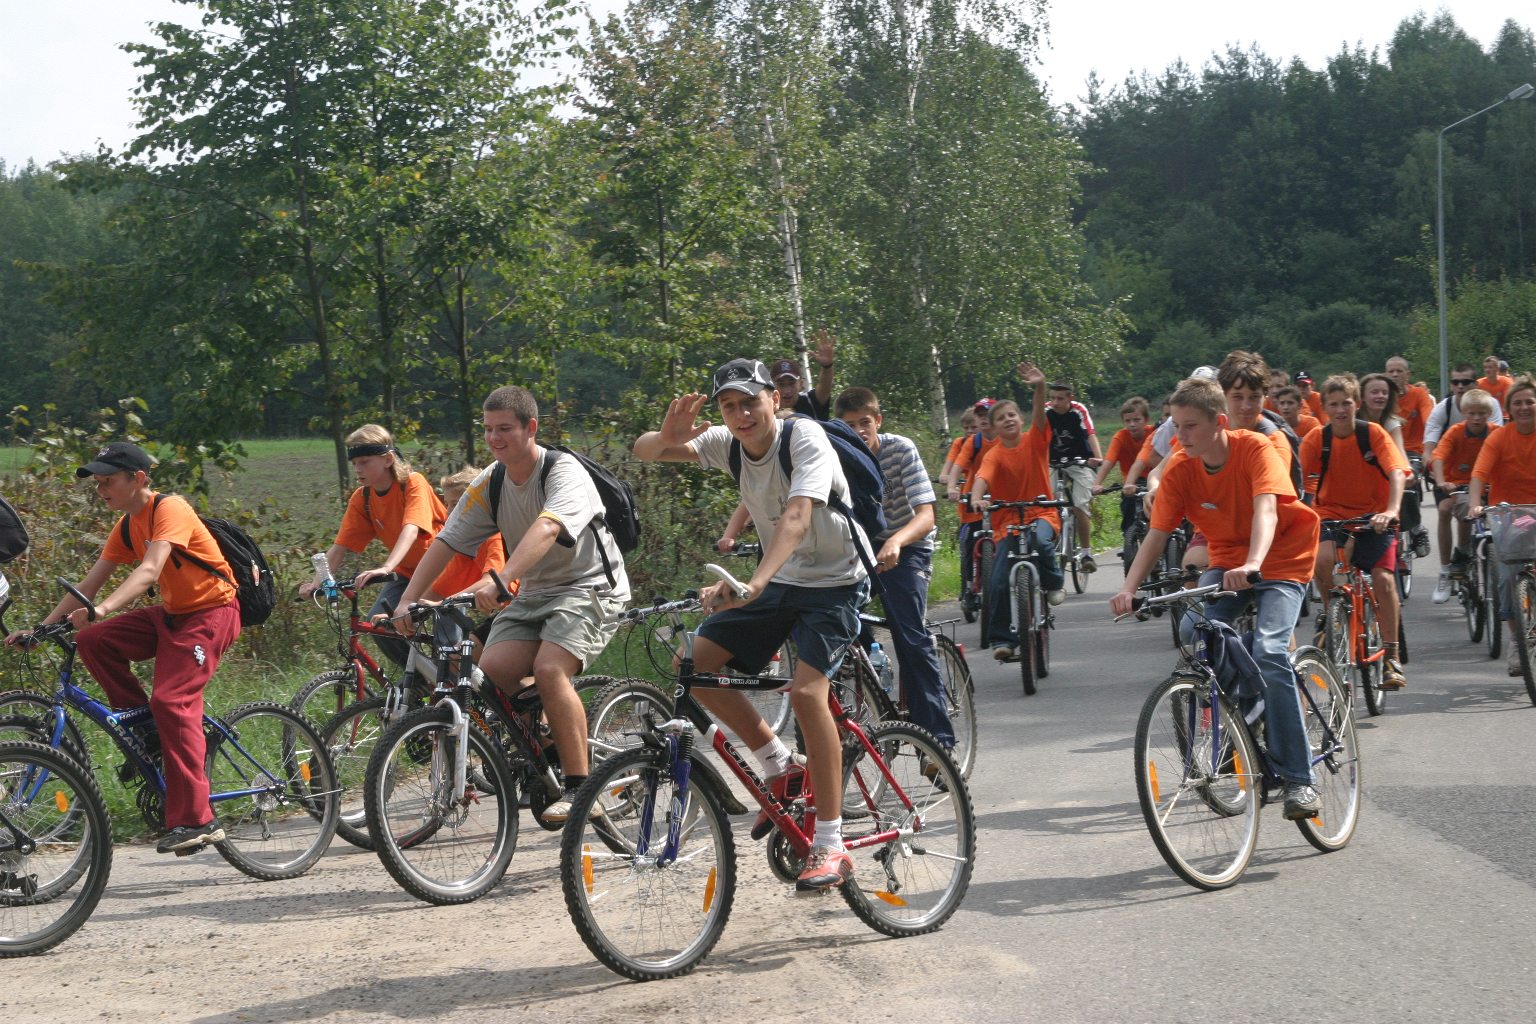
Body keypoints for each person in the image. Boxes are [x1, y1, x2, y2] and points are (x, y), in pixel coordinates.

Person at [633, 359, 868, 893]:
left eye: (750, 402)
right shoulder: (729, 443)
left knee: (806, 695)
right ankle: (779, 763)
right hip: (780, 579)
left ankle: (831, 843)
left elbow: (798, 516)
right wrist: (666, 437)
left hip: (834, 581)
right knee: (693, 666)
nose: (741, 415)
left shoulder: (803, 438)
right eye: (729, 406)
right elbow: (645, 451)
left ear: (774, 400)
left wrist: (755, 582)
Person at [390, 386, 630, 824]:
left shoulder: (562, 471)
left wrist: (502, 579)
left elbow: (547, 528)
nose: (494, 439)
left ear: (530, 427)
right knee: (493, 670)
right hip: (537, 592)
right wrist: (407, 599)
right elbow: (447, 540)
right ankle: (550, 745)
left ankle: (582, 789)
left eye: (504, 429)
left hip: (589, 586)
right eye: (488, 429)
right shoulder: (491, 481)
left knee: (549, 669)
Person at [4, 442, 241, 854]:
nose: (100, 490)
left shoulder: (171, 509)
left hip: (212, 613)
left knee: (172, 701)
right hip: (172, 616)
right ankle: (147, 732)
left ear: (139, 479)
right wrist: (40, 629)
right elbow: (88, 585)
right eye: (97, 483)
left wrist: (103, 609)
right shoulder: (127, 526)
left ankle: (198, 820)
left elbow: (149, 570)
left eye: (108, 481)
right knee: (93, 639)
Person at [1109, 376, 1322, 820]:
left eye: (1189, 426)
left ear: (1219, 423)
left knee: (1270, 650)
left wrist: (1254, 563)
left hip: (1282, 558)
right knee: (1195, 632)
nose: (1180, 436)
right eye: (1175, 426)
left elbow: (1266, 509)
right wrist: (1128, 588)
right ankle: (1247, 712)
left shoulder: (1256, 448)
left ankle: (1301, 780)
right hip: (1227, 563)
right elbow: (1157, 535)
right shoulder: (1181, 468)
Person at [834, 386, 954, 752]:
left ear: (878, 421)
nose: (859, 432)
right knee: (831, 624)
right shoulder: (834, 457)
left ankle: (938, 742)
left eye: (865, 423)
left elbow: (926, 515)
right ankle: (870, 683)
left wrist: (896, 542)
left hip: (909, 544)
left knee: (910, 636)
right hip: (860, 548)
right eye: (849, 426)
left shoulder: (900, 449)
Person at [300, 425, 445, 669]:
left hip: (442, 571)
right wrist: (317, 583)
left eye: (365, 462)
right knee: (378, 624)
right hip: (407, 573)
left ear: (388, 460)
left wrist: (386, 567)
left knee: (447, 640)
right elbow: (340, 546)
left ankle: (458, 684)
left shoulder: (412, 483)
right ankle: (419, 685)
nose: (358, 469)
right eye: (355, 463)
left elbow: (411, 529)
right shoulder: (363, 498)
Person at [1301, 374, 1410, 690]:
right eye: (1333, 404)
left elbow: (1396, 472)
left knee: (1383, 579)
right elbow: (1297, 482)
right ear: (1324, 408)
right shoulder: (1316, 440)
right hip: (1331, 515)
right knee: (1322, 561)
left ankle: (1392, 655)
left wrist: (1391, 510)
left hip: (1375, 517)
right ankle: (1331, 614)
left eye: (1346, 403)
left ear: (1356, 404)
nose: (1340, 410)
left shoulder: (1372, 433)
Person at [968, 363, 1064, 661]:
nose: (1007, 420)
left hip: (1042, 514)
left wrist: (1040, 386)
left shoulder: (1035, 440)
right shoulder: (994, 454)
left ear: (1021, 419)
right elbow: (982, 478)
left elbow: (1039, 414)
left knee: (1040, 542)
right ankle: (1003, 639)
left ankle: (1053, 582)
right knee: (997, 580)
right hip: (1007, 522)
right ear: (993, 428)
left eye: (1011, 415)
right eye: (1000, 418)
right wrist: (977, 498)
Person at [1468, 376, 1536, 675]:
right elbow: (1479, 474)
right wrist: (1475, 504)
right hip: (1509, 516)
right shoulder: (1499, 438)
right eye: (1517, 403)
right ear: (1508, 408)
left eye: (1530, 402)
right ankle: (1518, 641)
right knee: (1508, 577)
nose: (1524, 407)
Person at [1428, 389, 1497, 603]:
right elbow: (1438, 457)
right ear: (1464, 413)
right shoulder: (1455, 432)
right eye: (1471, 413)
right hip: (1456, 484)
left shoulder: (1496, 432)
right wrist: (1441, 482)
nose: (1476, 418)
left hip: (1487, 486)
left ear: (1489, 414)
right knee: (1448, 509)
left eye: (1481, 413)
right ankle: (1449, 565)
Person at [1043, 380, 1103, 571]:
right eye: (1052, 398)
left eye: (1060, 399)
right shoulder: (1046, 411)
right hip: (1053, 461)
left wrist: (1098, 457)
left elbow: (1090, 434)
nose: (1055, 402)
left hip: (1080, 462)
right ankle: (1047, 546)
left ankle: (1086, 554)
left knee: (1080, 504)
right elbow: (1037, 438)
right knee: (1046, 501)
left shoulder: (1078, 411)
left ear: (1070, 398)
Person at [1091, 396, 1151, 535]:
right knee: (1128, 507)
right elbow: (1109, 462)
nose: (1132, 424)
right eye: (1127, 421)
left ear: (1146, 420)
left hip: (1154, 480)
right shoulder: (1120, 437)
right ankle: (1129, 537)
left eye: (1136, 420)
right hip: (1131, 483)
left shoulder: (1154, 433)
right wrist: (1097, 484)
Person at [1424, 363, 1503, 451]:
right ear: (1451, 386)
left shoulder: (1491, 404)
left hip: (1484, 455)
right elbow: (1428, 450)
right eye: (1455, 382)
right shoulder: (1443, 408)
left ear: (1476, 385)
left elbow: (1497, 442)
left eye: (1465, 382)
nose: (1460, 386)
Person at [771, 328, 837, 421]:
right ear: (772, 387)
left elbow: (825, 386)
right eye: (781, 384)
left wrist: (827, 366)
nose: (787, 391)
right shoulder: (766, 411)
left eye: (792, 383)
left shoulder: (811, 402)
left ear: (801, 384)